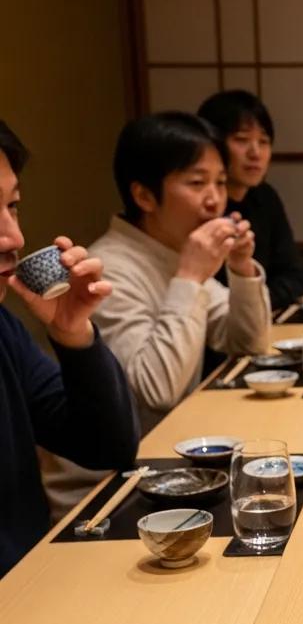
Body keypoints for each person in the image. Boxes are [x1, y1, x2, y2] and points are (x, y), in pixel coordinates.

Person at [0, 120, 139, 574]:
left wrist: (73, 334)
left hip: (28, 591)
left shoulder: (3, 331)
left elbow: (108, 447)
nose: (14, 238)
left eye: (13, 205)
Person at [86, 112, 271, 435]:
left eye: (221, 182)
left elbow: (248, 343)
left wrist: (241, 268)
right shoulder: (106, 270)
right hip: (112, 475)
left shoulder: (172, 249)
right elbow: (156, 392)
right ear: (144, 195)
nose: (215, 201)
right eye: (197, 183)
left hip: (177, 446)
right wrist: (189, 277)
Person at [197, 91, 303, 310]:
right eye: (241, 139)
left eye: (264, 141)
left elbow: (295, 274)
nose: (255, 152)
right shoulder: (199, 206)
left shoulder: (265, 197)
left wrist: (254, 306)